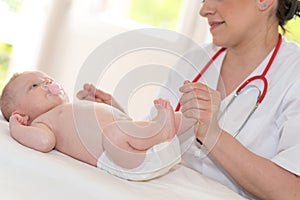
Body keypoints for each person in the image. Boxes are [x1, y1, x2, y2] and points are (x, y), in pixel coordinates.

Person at [77, 0, 300, 199]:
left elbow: (292, 191)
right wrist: (118, 119)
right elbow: (155, 140)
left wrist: (213, 136)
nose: (204, 10)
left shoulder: (294, 73)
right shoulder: (196, 60)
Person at [0, 71, 196, 181]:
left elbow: (124, 121)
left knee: (126, 128)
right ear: (20, 114)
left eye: (48, 80)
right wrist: (17, 128)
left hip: (136, 146)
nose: (47, 83)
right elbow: (44, 142)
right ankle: (162, 131)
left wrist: (108, 105)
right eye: (34, 86)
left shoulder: (71, 108)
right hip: (123, 160)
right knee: (114, 134)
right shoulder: (42, 121)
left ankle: (192, 118)